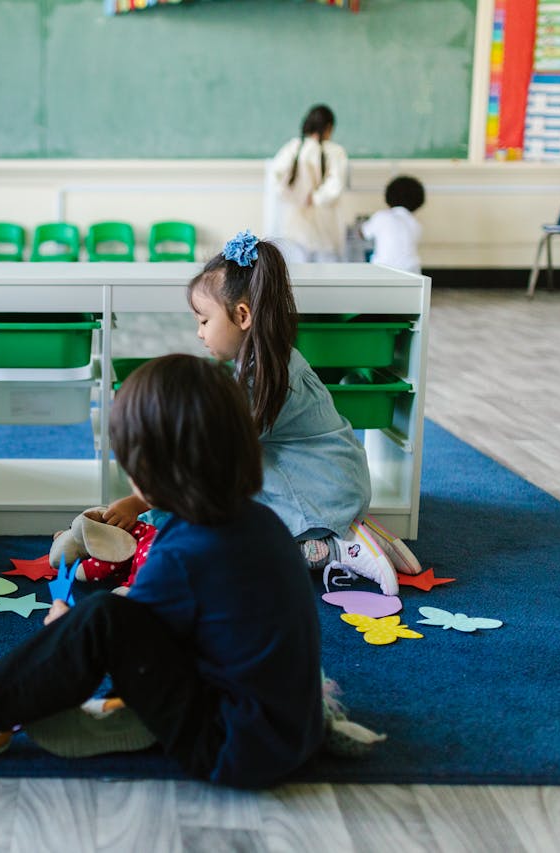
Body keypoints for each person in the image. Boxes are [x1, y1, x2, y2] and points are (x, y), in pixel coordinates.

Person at [0, 355, 337, 787]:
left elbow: (123, 632)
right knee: (113, 615)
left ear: (145, 470)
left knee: (98, 620)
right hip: (292, 728)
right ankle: (133, 716)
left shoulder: (183, 554)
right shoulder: (256, 520)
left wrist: (65, 631)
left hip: (233, 748)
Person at [101, 231, 402, 595]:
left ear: (242, 315)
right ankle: (348, 528)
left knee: (249, 547)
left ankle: (339, 547)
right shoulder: (266, 359)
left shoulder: (262, 377)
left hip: (317, 486)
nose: (198, 333)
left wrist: (142, 501)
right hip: (326, 476)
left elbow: (212, 460)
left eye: (204, 321)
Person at [270, 104, 349, 262]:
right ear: (329, 127)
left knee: (296, 277)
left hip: (294, 228)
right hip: (325, 230)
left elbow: (276, 179)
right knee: (328, 279)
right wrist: (315, 198)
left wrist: (294, 196)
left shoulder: (292, 147)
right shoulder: (335, 151)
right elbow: (336, 185)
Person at [361, 175, 426, 274]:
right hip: (413, 273)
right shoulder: (416, 224)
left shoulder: (381, 216)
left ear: (389, 196)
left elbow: (363, 233)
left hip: (383, 272)